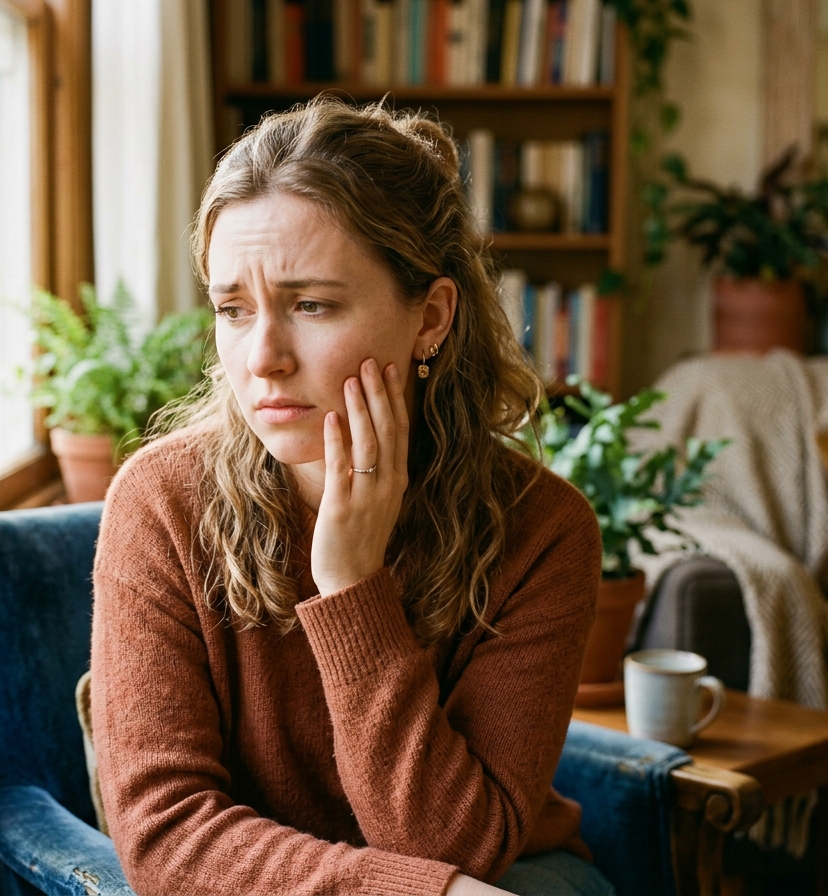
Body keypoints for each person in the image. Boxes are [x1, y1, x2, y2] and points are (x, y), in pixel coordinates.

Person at [90, 97, 611, 896]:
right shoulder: (162, 503)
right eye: (234, 310)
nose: (262, 358)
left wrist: (352, 587)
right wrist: (412, 892)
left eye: (312, 305)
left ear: (430, 318)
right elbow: (165, 835)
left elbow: (460, 846)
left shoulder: (543, 530)